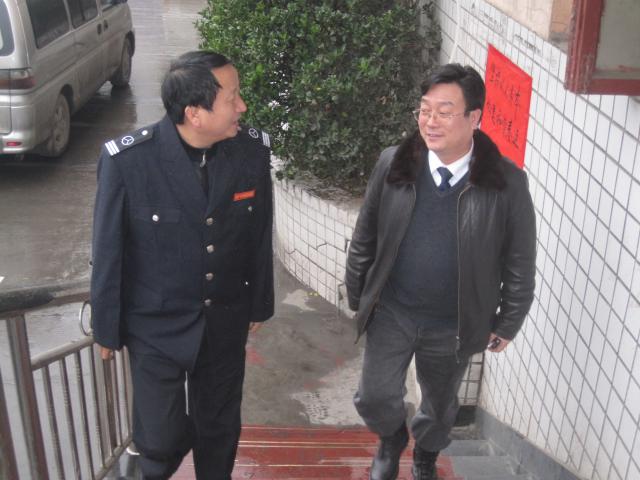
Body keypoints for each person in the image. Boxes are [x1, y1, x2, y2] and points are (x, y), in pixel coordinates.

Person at [345, 63, 536, 480]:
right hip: (393, 310)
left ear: (474, 117)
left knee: (440, 406)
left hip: (453, 323)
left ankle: (426, 456)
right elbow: (365, 235)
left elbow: (520, 261)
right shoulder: (394, 164)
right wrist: (359, 294)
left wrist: (509, 320)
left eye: (444, 112)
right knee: (374, 396)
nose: (430, 121)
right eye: (425, 110)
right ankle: (391, 439)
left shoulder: (506, 182)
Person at [90, 50, 274, 479]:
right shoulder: (129, 161)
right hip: (155, 324)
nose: (242, 106)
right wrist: (106, 326)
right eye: (232, 98)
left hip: (224, 317)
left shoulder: (249, 152)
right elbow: (109, 250)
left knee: (219, 427)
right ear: (194, 113)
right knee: (159, 437)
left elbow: (259, 232)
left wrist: (259, 304)